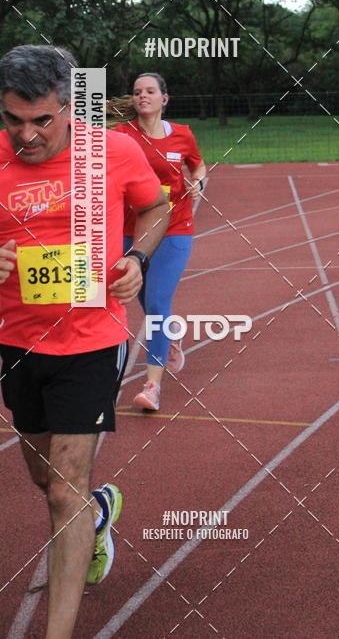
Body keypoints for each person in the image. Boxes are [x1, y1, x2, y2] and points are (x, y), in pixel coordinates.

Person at [0, 46, 169, 639]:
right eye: (13, 119)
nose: (26, 134)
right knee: (45, 478)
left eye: (42, 120)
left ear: (72, 108)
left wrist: (137, 257)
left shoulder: (113, 151)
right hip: (18, 342)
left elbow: (157, 206)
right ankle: (100, 511)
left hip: (92, 339)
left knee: (62, 492)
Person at [111, 72, 205, 412]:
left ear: (165, 98)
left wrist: (199, 184)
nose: (142, 96)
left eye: (150, 91)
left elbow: (198, 165)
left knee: (157, 303)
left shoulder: (182, 135)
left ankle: (152, 386)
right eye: (137, 92)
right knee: (138, 295)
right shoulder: (121, 136)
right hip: (129, 228)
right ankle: (170, 336)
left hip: (175, 227)